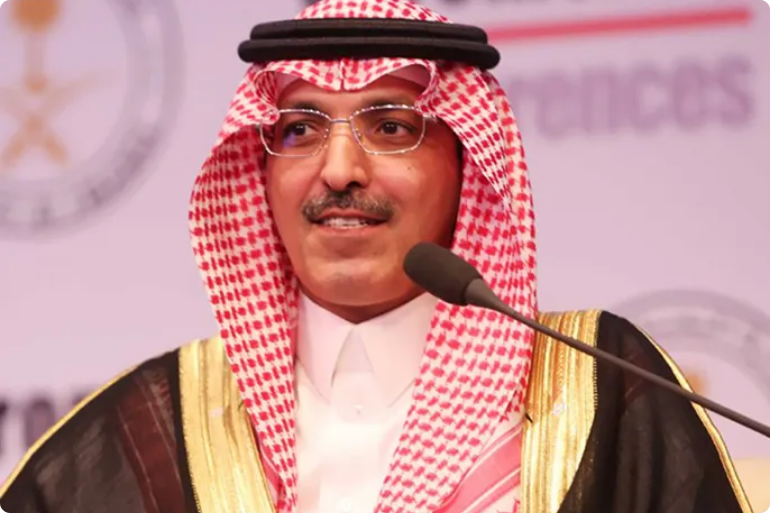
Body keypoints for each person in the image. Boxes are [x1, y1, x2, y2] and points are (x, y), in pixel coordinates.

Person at [0, 0, 755, 512]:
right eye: (299, 131)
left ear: (466, 164)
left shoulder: (602, 392)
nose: (338, 171)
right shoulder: (147, 432)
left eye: (391, 127)